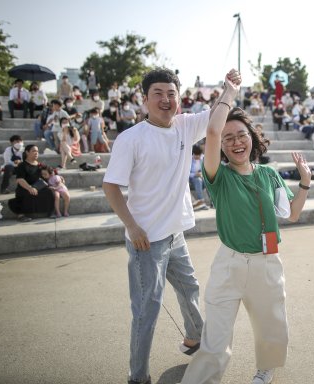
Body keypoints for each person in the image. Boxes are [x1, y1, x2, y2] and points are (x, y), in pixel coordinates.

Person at [103, 67, 237, 384]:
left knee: (190, 288)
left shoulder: (184, 126)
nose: (166, 99)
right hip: (146, 240)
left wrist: (229, 89)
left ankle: (195, 339)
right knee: (146, 312)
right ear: (145, 99)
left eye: (171, 93)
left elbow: (216, 115)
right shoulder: (130, 138)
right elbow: (111, 187)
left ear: (179, 97)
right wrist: (132, 228)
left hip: (175, 233)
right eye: (158, 94)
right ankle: (138, 376)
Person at [180, 96, 311, 384]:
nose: (236, 142)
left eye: (241, 135)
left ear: (252, 138)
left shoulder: (269, 175)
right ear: (222, 147)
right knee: (215, 337)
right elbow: (212, 133)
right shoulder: (218, 176)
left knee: (271, 325)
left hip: (267, 263)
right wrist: (228, 94)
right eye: (229, 139)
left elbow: (293, 214)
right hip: (229, 264)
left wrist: (305, 182)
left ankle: (267, 368)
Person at [7, 144, 55, 222]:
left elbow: (51, 172)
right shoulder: (22, 165)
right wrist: (30, 188)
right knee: (27, 194)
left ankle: (50, 212)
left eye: (37, 151)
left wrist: (60, 179)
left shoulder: (40, 165)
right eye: (34, 151)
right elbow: (20, 179)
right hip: (25, 187)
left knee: (49, 191)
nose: (36, 153)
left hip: (38, 187)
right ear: (27, 152)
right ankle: (21, 215)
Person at [189, 145, 208, 211]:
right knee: (198, 180)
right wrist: (195, 174)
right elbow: (187, 174)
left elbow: (208, 170)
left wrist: (202, 174)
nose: (197, 157)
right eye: (195, 155)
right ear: (193, 154)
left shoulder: (204, 158)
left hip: (203, 179)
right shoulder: (189, 160)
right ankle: (201, 201)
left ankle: (213, 202)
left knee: (209, 181)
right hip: (192, 180)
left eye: (199, 155)